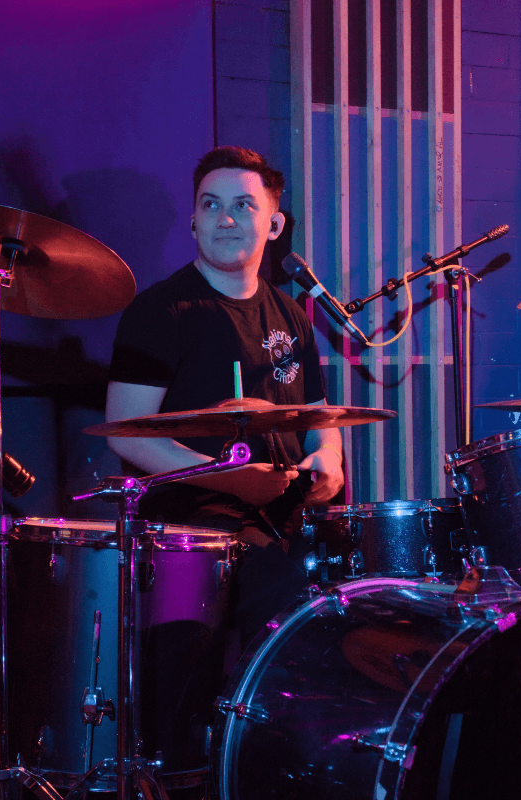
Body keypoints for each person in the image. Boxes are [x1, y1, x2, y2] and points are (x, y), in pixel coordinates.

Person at [105, 146, 345, 646]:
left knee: (356, 596)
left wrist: (328, 458)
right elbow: (127, 433)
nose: (225, 218)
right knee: (281, 593)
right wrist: (230, 478)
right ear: (194, 222)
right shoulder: (159, 311)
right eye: (210, 204)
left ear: (274, 225)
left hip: (281, 510)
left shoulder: (291, 314)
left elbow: (318, 418)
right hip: (192, 523)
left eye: (243, 205)